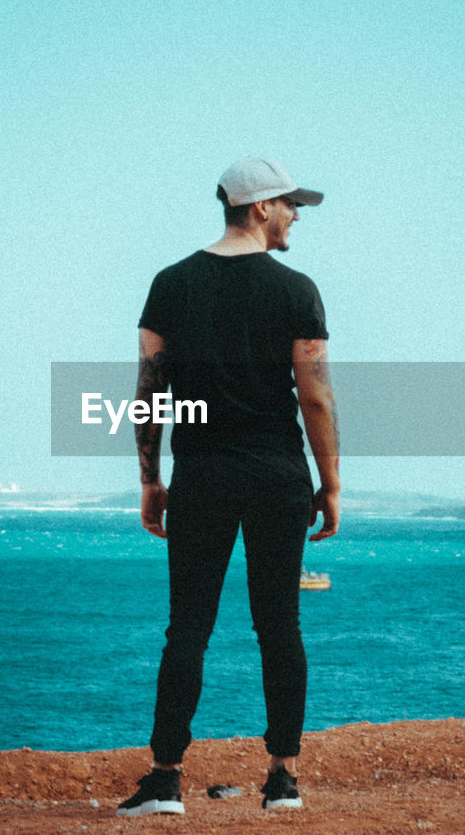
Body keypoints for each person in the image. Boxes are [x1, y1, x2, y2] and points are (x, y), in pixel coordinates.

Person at [116, 156, 341, 817]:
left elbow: (149, 391)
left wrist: (151, 479)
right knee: (281, 625)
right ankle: (283, 781)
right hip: (278, 475)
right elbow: (316, 396)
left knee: (187, 627)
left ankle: (164, 781)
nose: (298, 214)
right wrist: (330, 483)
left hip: (203, 476)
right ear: (259, 208)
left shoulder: (170, 284)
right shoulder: (298, 290)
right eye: (290, 204)